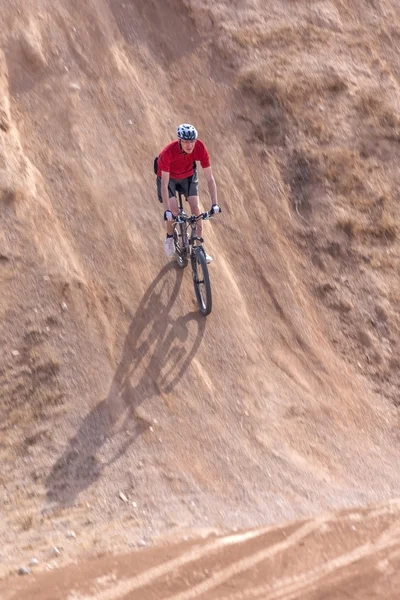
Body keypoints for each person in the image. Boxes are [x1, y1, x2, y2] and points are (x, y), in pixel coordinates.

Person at [156, 124, 218, 263]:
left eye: (192, 142)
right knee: (173, 211)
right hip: (169, 178)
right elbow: (165, 185)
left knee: (196, 208)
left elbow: (210, 178)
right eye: (185, 142)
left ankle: (200, 248)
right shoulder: (168, 153)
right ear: (179, 141)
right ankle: (170, 237)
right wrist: (167, 211)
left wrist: (215, 204)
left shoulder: (200, 148)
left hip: (188, 176)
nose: (189, 146)